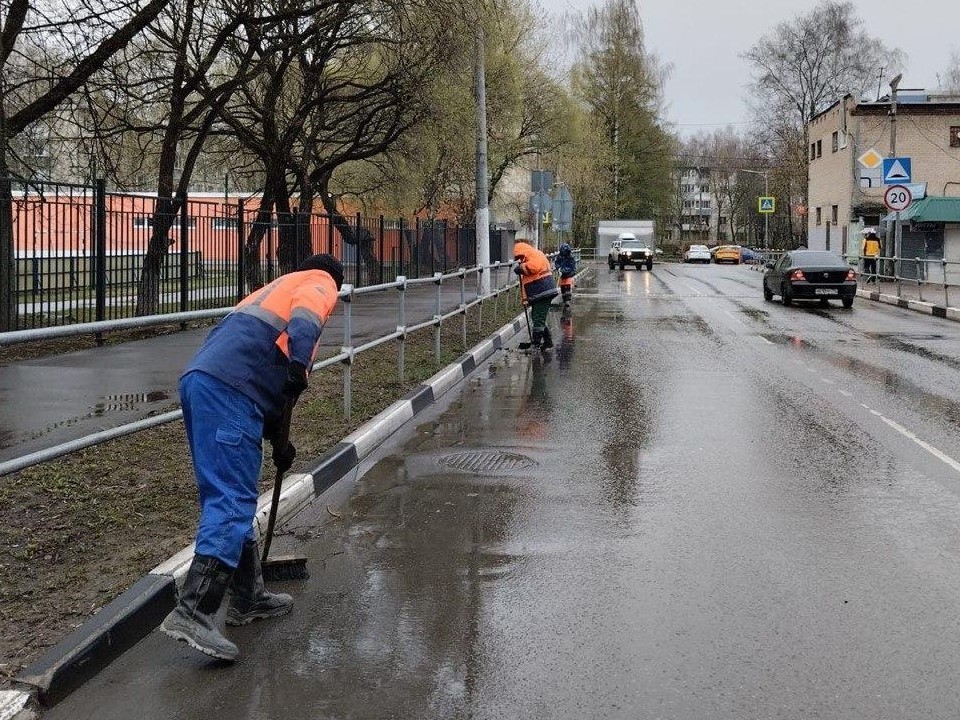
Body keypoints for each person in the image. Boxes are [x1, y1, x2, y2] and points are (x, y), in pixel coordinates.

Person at [160, 254, 344, 662]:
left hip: (206, 383)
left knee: (232, 492)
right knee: (232, 499)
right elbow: (307, 320)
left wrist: (279, 442)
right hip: (231, 392)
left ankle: (247, 597)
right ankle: (192, 611)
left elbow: (264, 370)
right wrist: (300, 364)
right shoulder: (318, 282)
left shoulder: (270, 290)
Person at [514, 241, 559, 350]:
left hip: (543, 291)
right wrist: (525, 299)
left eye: (519, 256)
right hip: (540, 292)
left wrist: (522, 267)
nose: (519, 260)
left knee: (538, 317)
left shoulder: (534, 254)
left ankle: (536, 344)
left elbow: (535, 267)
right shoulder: (528, 257)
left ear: (522, 251)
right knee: (537, 317)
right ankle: (548, 342)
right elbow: (525, 283)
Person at [554, 243, 576, 307]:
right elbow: (557, 263)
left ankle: (567, 300)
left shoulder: (570, 257)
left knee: (568, 287)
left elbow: (572, 267)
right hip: (562, 275)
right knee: (563, 287)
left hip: (569, 274)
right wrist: (558, 267)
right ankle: (564, 299)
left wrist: (563, 270)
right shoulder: (559, 256)